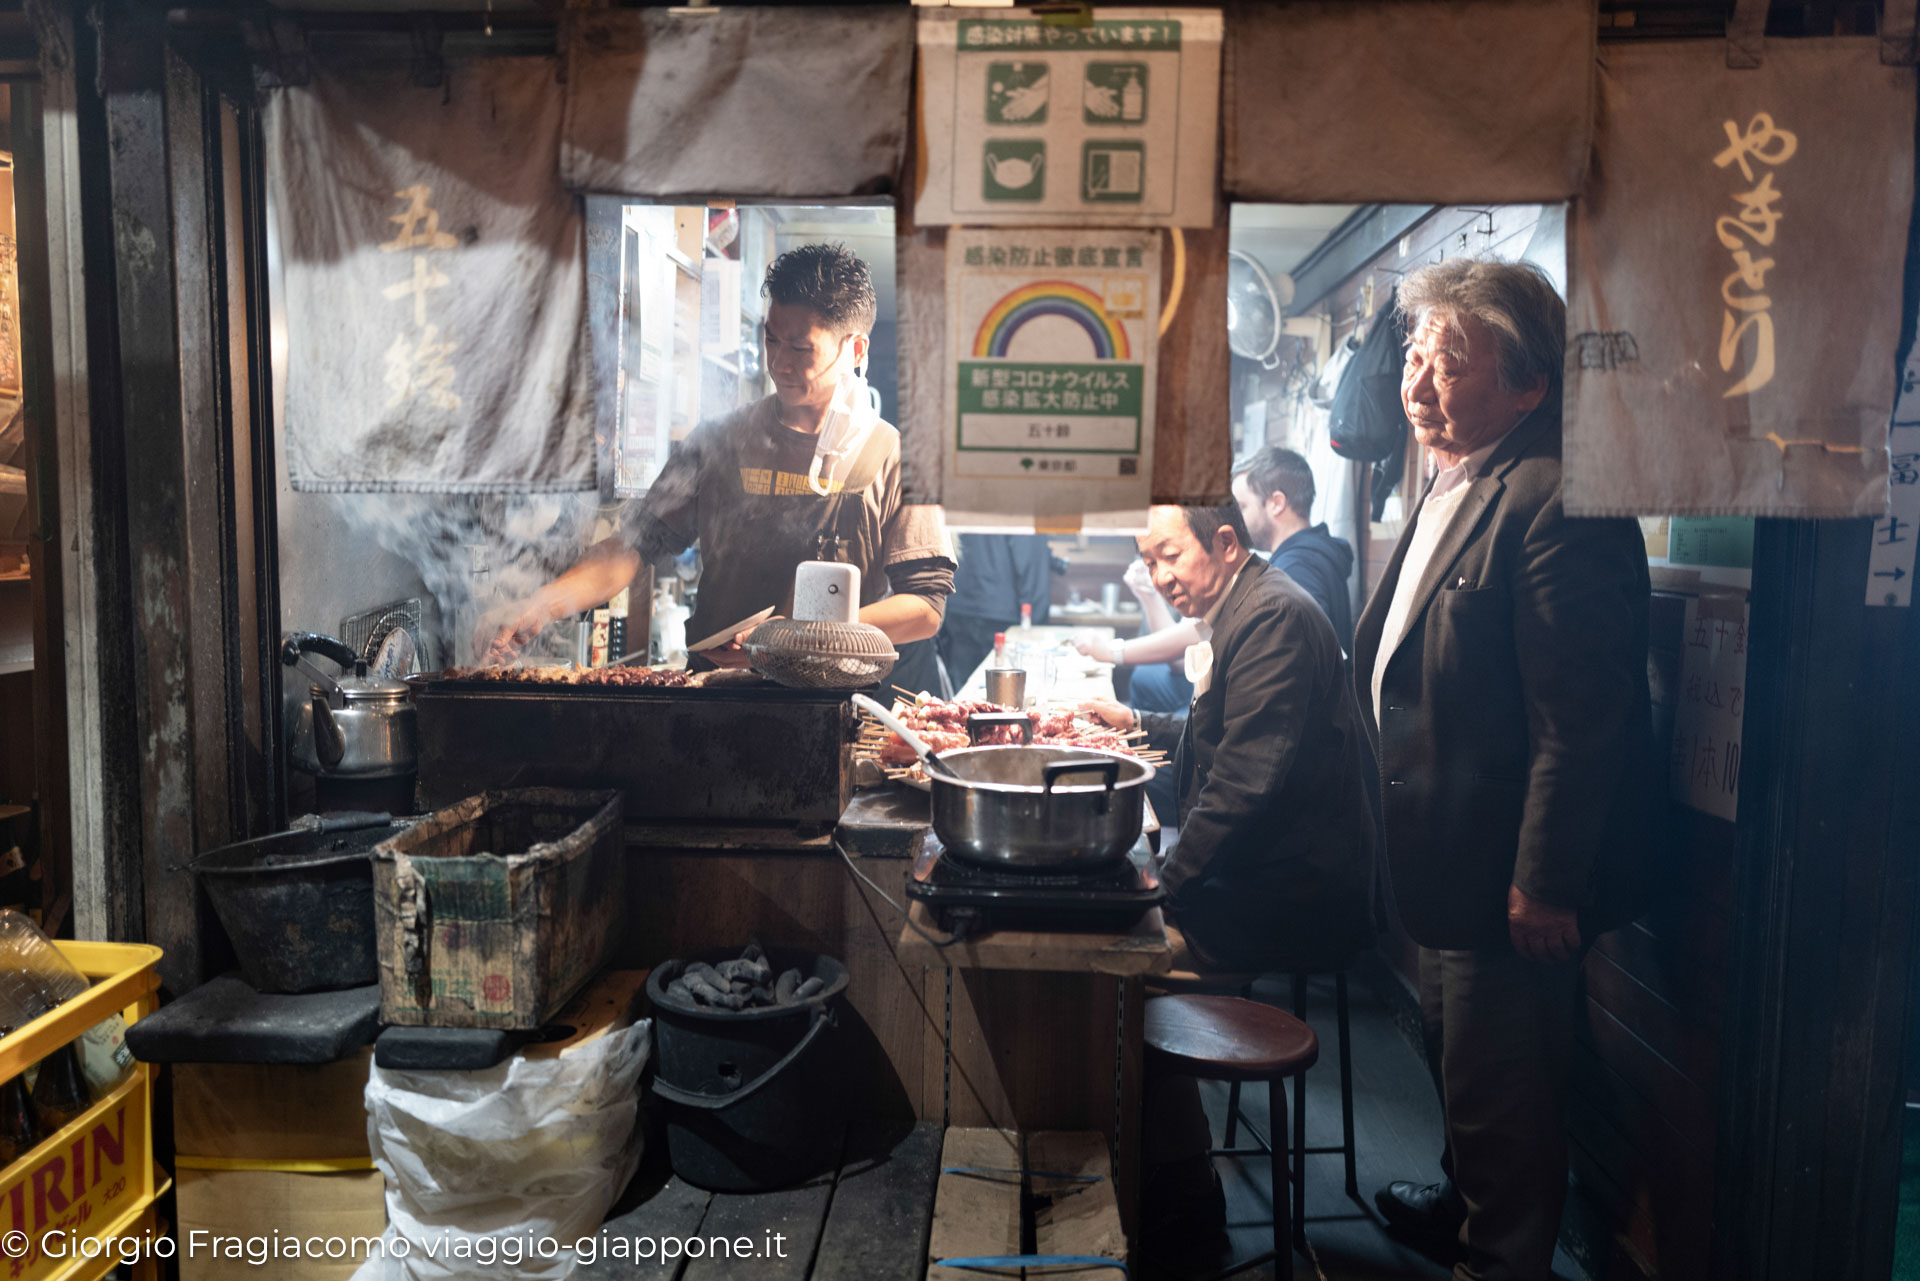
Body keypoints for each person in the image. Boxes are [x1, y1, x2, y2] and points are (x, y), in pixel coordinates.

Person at [1355, 259, 1655, 1281]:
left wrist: (1546, 881)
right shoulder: (1463, 475)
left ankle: (1504, 1260)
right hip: (1450, 861)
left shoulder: (1558, 493)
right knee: (1461, 1068)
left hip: (1505, 878)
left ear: (1529, 384)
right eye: (1414, 354)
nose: (1417, 381)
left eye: (1450, 359)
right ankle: (1462, 1208)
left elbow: (1582, 718)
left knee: (1505, 1096)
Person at [1080, 502, 1378, 1255]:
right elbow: (1229, 738)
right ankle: (1176, 1176)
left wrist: (1159, 888)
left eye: (1170, 555)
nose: (1160, 575)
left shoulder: (1272, 617)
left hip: (1294, 895)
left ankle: (1186, 1204)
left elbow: (1245, 782)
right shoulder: (1243, 604)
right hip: (1266, 876)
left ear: (1223, 539)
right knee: (1121, 952)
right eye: (1148, 561)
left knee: (1118, 975)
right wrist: (1137, 727)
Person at [478, 244, 954, 665]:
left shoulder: (895, 455)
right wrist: (542, 603)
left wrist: (798, 640)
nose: (779, 362)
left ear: (855, 349)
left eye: (800, 347)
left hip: (836, 702)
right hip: (717, 697)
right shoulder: (721, 439)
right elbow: (631, 546)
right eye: (771, 339)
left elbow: (925, 608)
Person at [1076, 447, 1356, 699]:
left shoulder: (1298, 568)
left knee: (1146, 682)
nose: (1232, 517)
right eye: (1152, 563)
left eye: (1241, 507)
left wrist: (1114, 652)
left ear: (1276, 503)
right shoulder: (1306, 554)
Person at [932, 533, 1055, 694]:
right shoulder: (1025, 511)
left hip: (959, 604)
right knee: (1006, 695)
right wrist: (1035, 625)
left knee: (965, 693)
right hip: (1000, 614)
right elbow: (1031, 562)